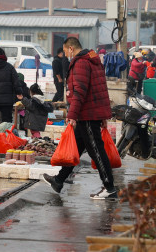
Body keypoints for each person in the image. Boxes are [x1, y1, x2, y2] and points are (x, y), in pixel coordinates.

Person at [42, 36, 117, 200]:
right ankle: (59, 180)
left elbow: (80, 91)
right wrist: (103, 114)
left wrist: (72, 115)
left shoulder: (81, 63)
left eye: (66, 51)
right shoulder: (91, 61)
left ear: (70, 48)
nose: (66, 55)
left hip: (87, 114)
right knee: (75, 147)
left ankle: (109, 187)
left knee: (96, 150)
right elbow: (99, 89)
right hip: (90, 112)